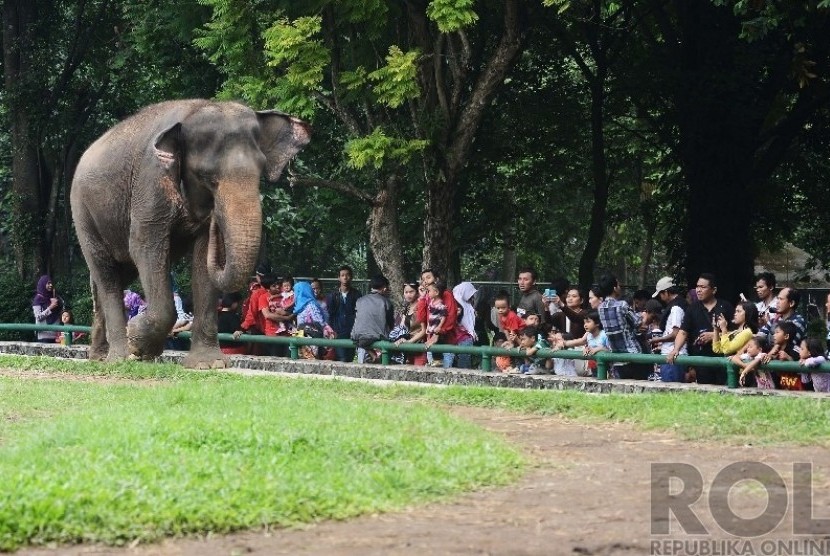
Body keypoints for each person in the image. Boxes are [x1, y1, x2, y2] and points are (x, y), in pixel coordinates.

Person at [667, 273, 734, 385]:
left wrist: (714, 335)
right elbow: (683, 332)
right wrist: (676, 349)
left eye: (703, 287)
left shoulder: (726, 307)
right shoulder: (692, 309)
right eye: (697, 286)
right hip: (701, 360)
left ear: (714, 290)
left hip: (724, 359)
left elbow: (738, 332)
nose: (698, 290)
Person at [596, 273, 649, 380]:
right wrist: (645, 316)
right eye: (618, 285)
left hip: (617, 357)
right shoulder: (622, 305)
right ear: (615, 288)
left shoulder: (600, 308)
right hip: (632, 353)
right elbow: (639, 323)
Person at [416, 269, 458, 368]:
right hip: (430, 340)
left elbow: (450, 316)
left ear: (437, 279)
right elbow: (421, 318)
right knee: (433, 371)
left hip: (446, 341)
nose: (425, 281)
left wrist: (438, 333)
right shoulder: (427, 297)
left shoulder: (446, 294)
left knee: (445, 371)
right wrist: (422, 298)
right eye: (423, 279)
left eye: (428, 277)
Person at [650, 278, 688, 383]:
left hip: (673, 356)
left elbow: (675, 334)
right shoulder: (680, 304)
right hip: (672, 354)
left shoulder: (676, 308)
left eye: (661, 295)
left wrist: (656, 340)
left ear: (666, 292)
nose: (661, 298)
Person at [351, 275, 394, 364]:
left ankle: (373, 354)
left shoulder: (360, 300)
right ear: (384, 288)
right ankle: (374, 355)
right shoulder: (386, 302)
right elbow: (390, 324)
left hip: (357, 338)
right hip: (377, 340)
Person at [326, 265, 362, 362]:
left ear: (351, 277)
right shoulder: (333, 295)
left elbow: (359, 314)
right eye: (342, 275)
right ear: (339, 278)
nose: (345, 277)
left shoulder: (357, 294)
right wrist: (331, 331)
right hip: (338, 332)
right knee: (342, 358)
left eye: (347, 275)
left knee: (350, 358)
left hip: (352, 332)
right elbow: (330, 315)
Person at [293, 281, 332, 359]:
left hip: (307, 338)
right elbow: (319, 322)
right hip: (307, 339)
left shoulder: (306, 306)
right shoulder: (306, 305)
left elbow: (318, 321)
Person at [762, 321, 803, 390]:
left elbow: (800, 368)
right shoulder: (774, 349)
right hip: (778, 385)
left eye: (777, 332)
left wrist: (788, 357)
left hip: (794, 387)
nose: (774, 335)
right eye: (774, 333)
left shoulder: (795, 349)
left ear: (786, 336)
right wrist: (771, 355)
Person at [390, 281, 421, 364]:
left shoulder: (421, 306)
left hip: (419, 345)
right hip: (407, 347)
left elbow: (424, 330)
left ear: (417, 292)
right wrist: (400, 338)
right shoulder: (406, 308)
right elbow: (402, 327)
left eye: (411, 292)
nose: (408, 295)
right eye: (406, 292)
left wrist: (410, 341)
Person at [452, 282, 478, 369]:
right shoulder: (455, 303)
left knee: (465, 362)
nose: (471, 296)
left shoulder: (467, 305)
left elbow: (469, 323)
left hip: (466, 338)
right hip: (458, 338)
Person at [32, 275, 63, 343]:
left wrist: (58, 303)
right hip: (44, 336)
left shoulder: (54, 297)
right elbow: (38, 317)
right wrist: (51, 307)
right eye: (48, 283)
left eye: (51, 283)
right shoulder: (38, 299)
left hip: (57, 336)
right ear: (43, 284)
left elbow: (61, 314)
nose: (51, 285)